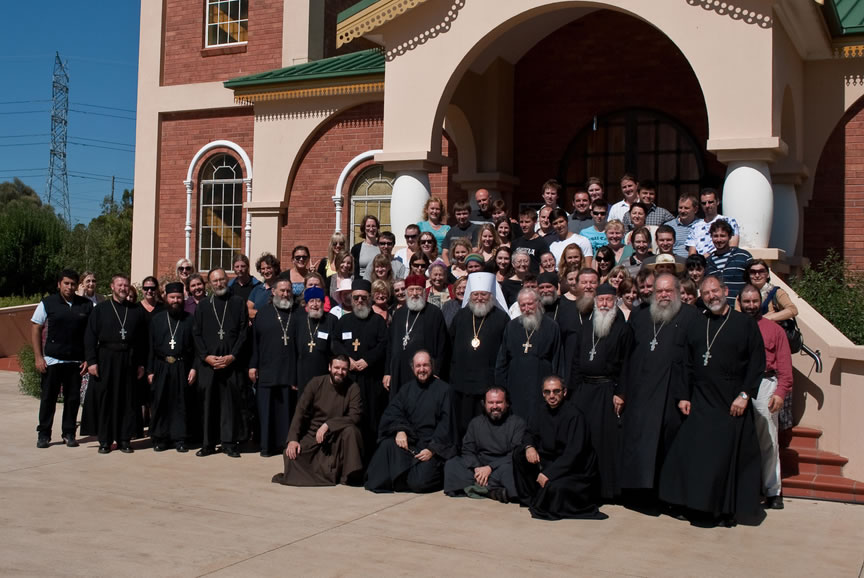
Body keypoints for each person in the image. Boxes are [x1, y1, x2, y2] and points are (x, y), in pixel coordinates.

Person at [659, 276, 765, 526]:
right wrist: (683, 395)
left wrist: (745, 395)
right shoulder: (697, 323)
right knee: (695, 455)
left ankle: (721, 510)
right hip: (701, 399)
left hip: (731, 401)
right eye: (706, 293)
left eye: (715, 291)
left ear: (725, 291)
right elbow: (685, 362)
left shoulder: (744, 324)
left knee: (722, 459)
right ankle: (695, 505)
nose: (711, 296)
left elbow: (757, 362)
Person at [618, 274, 699, 504]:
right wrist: (621, 391)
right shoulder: (639, 315)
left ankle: (669, 497)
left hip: (673, 393)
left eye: (668, 291)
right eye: (659, 291)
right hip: (641, 393)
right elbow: (626, 356)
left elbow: (693, 359)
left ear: (677, 292)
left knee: (669, 445)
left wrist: (686, 394)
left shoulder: (691, 316)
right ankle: (642, 494)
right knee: (641, 445)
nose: (663, 295)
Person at [568, 283, 630, 501]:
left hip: (607, 391)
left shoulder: (622, 329)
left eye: (608, 300)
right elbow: (576, 360)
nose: (604, 304)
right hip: (584, 389)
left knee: (604, 441)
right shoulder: (586, 326)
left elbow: (627, 364)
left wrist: (621, 393)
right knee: (582, 438)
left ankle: (605, 490)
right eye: (601, 300)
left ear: (615, 302)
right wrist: (573, 390)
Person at [513, 375, 603, 520]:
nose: (552, 396)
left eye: (556, 391)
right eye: (547, 392)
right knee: (519, 454)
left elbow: (574, 453)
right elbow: (529, 433)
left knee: (554, 490)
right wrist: (529, 447)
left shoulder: (574, 415)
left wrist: (549, 473)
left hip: (573, 469)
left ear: (564, 392)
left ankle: (544, 494)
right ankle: (530, 498)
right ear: (543, 393)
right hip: (549, 460)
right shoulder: (540, 410)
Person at [365, 350, 457, 493]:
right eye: (418, 366)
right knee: (386, 445)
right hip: (410, 444)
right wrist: (400, 430)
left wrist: (432, 449)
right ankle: (400, 477)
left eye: (425, 365)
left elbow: (447, 425)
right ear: (413, 368)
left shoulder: (444, 390)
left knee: (419, 484)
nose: (422, 369)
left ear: (432, 366)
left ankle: (405, 477)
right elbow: (393, 412)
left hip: (431, 448)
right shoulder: (406, 389)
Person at [739, 284, 793, 510]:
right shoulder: (733, 326)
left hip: (765, 383)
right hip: (737, 384)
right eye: (747, 301)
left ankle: (773, 490)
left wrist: (780, 393)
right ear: (740, 303)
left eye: (754, 301)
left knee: (768, 439)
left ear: (760, 302)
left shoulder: (774, 330)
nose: (751, 305)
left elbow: (785, 368)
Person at [81, 274, 149, 454]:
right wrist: (92, 361)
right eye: (120, 285)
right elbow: (90, 336)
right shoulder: (101, 309)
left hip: (129, 359)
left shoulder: (136, 311)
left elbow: (143, 341)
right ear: (112, 286)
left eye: (126, 285)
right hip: (106, 358)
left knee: (127, 400)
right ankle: (105, 440)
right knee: (106, 400)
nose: (123, 288)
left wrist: (141, 364)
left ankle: (124, 439)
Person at [272, 355, 364, 487]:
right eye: (336, 367)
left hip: (338, 435)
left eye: (344, 369)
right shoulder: (316, 383)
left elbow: (355, 416)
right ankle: (330, 474)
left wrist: (329, 425)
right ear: (329, 367)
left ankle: (348, 475)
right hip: (314, 435)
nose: (340, 372)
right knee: (291, 456)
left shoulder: (353, 388)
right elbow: (300, 411)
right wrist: (293, 439)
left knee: (352, 431)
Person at [32, 269, 93, 448]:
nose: (69, 287)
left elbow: (91, 333)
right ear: (59, 284)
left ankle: (69, 433)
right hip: (52, 360)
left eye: (73, 284)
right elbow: (36, 327)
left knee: (72, 400)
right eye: (66, 283)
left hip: (76, 362)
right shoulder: (47, 303)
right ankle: (44, 434)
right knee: (48, 399)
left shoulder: (86, 305)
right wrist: (38, 357)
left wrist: (88, 359)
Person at [192, 268, 250, 458]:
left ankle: (229, 443)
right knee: (208, 404)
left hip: (231, 364)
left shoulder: (237, 302)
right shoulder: (203, 305)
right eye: (215, 281)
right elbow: (196, 334)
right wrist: (206, 357)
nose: (219, 283)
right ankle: (208, 444)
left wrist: (232, 356)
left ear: (227, 279)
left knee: (230, 405)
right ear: (210, 284)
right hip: (209, 365)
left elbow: (243, 332)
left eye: (222, 279)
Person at [448, 272, 511, 438]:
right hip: (462, 383)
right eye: (475, 294)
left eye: (484, 294)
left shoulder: (502, 318)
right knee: (462, 424)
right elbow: (450, 345)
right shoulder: (461, 316)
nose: (479, 298)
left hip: (488, 383)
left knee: (486, 427)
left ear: (491, 295)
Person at [332, 279, 389, 454]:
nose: (359, 301)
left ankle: (370, 455)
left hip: (371, 379)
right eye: (356, 297)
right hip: (349, 379)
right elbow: (335, 342)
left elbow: (384, 345)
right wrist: (348, 360)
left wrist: (368, 360)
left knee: (371, 417)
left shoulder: (378, 321)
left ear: (369, 299)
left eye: (363, 298)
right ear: (351, 298)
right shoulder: (344, 321)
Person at [444, 386, 526, 502]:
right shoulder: (476, 423)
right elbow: (467, 449)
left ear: (507, 404)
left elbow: (516, 453)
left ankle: (479, 489)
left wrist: (490, 468)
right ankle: (491, 491)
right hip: (480, 466)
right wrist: (477, 468)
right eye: (490, 403)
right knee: (452, 464)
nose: (495, 406)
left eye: (499, 402)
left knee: (511, 473)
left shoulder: (517, 423)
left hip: (502, 466)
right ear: (484, 404)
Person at [248, 276, 299, 457]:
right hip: (267, 368)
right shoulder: (263, 313)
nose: (285, 294)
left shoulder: (298, 313)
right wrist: (253, 365)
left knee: (286, 409)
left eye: (288, 291)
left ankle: (284, 444)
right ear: (273, 291)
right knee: (266, 409)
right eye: (282, 290)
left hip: (289, 369)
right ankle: (266, 446)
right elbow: (255, 342)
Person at [495, 288, 562, 418]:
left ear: (538, 303)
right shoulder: (512, 326)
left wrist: (556, 387)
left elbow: (557, 359)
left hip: (541, 382)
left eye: (530, 304)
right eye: (522, 305)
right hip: (515, 383)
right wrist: (501, 387)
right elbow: (502, 359)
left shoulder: (551, 326)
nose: (526, 308)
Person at [147, 282, 196, 453]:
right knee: (161, 402)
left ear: (183, 298)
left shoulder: (190, 319)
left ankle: (180, 438)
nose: (175, 300)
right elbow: (150, 347)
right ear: (166, 298)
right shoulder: (157, 319)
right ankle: (161, 438)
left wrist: (194, 368)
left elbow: (196, 348)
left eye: (178, 297)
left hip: (182, 365)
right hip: (161, 365)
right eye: (172, 297)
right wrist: (150, 370)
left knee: (181, 403)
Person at [385, 275, 449, 399]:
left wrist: (437, 371)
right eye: (411, 290)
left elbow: (443, 346)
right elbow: (390, 345)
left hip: (423, 372)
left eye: (418, 289)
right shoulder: (398, 314)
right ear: (406, 292)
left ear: (424, 292)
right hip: (399, 372)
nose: (414, 293)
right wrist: (387, 372)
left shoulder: (435, 313)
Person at [293, 286, 336, 394]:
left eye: (318, 301)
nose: (315, 304)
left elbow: (335, 350)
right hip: (302, 373)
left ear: (323, 303)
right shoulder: (299, 320)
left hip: (323, 372)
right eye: (311, 301)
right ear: (306, 304)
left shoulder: (331, 320)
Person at [706, 220, 752, 305]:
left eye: (722, 236)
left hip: (740, 308)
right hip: (716, 309)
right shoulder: (707, 262)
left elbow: (753, 281)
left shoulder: (743, 256)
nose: (719, 240)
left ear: (730, 236)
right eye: (715, 236)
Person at [687, 188, 740, 256]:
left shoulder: (729, 221)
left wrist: (710, 256)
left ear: (717, 202)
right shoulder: (695, 227)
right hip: (700, 261)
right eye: (704, 203)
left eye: (710, 202)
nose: (707, 205)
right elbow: (692, 254)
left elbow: (733, 248)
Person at [742, 259, 799, 323]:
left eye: (761, 271)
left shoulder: (777, 292)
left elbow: (793, 310)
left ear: (768, 275)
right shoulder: (743, 294)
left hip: (771, 328)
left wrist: (766, 318)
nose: (757, 275)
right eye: (753, 272)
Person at [663, 193, 703, 258]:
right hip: (673, 262)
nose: (682, 211)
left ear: (695, 209)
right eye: (680, 208)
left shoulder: (702, 225)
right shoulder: (669, 226)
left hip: (695, 262)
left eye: (686, 208)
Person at [510, 208, 547, 273]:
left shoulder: (542, 243)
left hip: (534, 278)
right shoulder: (515, 243)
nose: (524, 225)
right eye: (521, 222)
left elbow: (544, 266)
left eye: (527, 222)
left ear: (535, 222)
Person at [247, 252, 281, 319]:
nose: (266, 271)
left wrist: (257, 313)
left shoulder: (281, 289)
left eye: (269, 268)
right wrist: (263, 314)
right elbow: (247, 310)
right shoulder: (257, 289)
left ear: (275, 268)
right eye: (263, 269)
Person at [351, 215, 381, 279]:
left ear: (377, 228)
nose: (371, 229)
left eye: (373, 226)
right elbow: (353, 270)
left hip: (378, 282)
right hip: (361, 282)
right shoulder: (356, 249)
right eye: (368, 226)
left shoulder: (382, 247)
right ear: (364, 228)